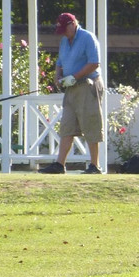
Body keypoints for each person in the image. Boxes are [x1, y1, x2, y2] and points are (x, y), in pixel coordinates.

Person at [38, 12, 105, 175]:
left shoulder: (87, 38)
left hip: (87, 85)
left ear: (73, 23)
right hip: (71, 89)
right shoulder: (64, 41)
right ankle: (59, 164)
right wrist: (58, 76)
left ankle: (95, 166)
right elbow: (60, 63)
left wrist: (74, 77)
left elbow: (94, 63)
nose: (63, 33)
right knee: (67, 126)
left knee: (90, 124)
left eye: (65, 29)